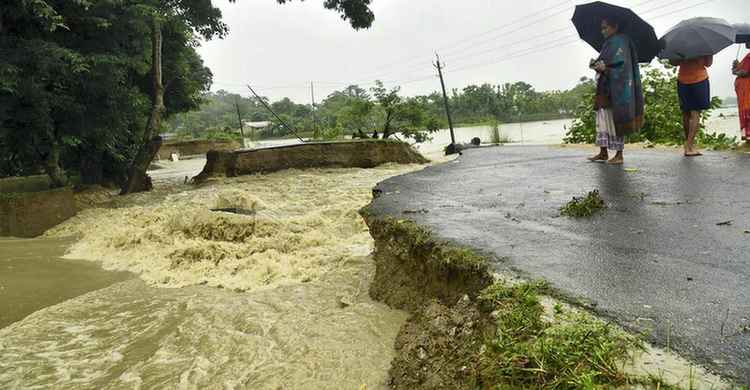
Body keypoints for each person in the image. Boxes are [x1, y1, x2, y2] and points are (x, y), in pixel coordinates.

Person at [587, 17, 644, 165]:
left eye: (605, 27)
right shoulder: (608, 43)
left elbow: (622, 67)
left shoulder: (621, 41)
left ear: (615, 26)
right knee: (602, 118)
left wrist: (605, 68)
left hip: (617, 88)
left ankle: (619, 155)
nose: (603, 31)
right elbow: (604, 61)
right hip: (604, 86)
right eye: (602, 28)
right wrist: (595, 64)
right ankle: (603, 152)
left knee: (616, 119)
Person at [671, 55, 713, 156]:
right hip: (699, 80)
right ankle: (689, 146)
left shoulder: (680, 44)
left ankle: (689, 145)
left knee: (685, 113)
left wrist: (682, 57)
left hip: (682, 80)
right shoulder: (703, 45)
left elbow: (673, 62)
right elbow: (708, 63)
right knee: (695, 113)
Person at [733, 43, 750, 141]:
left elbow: (745, 72)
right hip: (744, 88)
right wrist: (737, 66)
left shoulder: (749, 57)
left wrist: (735, 71)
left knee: (747, 110)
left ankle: (748, 135)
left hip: (747, 88)